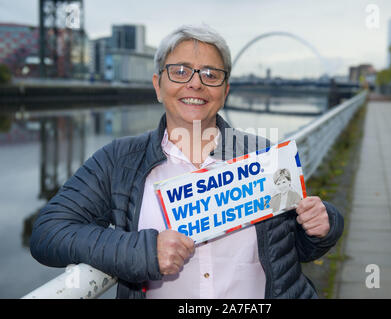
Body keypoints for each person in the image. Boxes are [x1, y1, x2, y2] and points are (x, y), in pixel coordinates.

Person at [30, 24, 344, 299]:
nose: (195, 84)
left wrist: (322, 226)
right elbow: (48, 232)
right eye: (180, 71)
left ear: (225, 91)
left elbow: (298, 248)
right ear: (158, 85)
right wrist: (141, 252)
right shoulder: (118, 160)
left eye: (211, 74)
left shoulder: (263, 155)